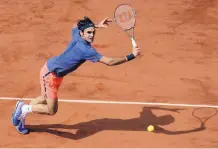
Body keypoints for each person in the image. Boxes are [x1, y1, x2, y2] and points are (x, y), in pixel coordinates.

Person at [11, 16, 140, 134]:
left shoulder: (77, 35)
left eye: (93, 32)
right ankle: (23, 109)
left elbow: (75, 24)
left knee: (44, 98)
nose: (92, 35)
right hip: (50, 75)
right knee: (51, 110)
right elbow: (109, 62)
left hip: (53, 73)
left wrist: (95, 25)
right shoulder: (87, 50)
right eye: (89, 32)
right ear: (82, 33)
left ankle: (21, 112)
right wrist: (131, 56)